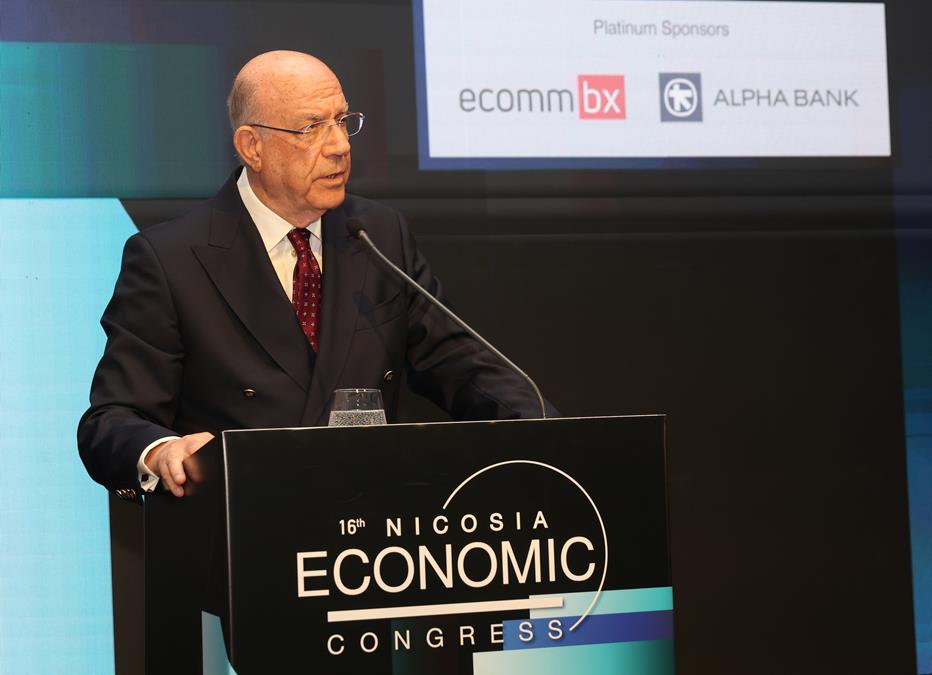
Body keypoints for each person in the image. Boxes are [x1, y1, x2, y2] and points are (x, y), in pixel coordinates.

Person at [77, 50, 547, 501]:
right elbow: (112, 419)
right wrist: (162, 451)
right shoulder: (171, 258)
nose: (340, 146)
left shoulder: (379, 235)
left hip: (369, 530)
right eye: (311, 128)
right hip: (243, 526)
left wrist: (548, 432)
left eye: (342, 121)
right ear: (252, 147)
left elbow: (460, 365)